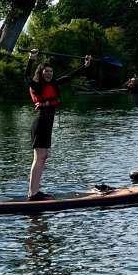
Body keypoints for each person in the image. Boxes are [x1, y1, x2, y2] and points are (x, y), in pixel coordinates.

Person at [25, 50, 91, 200]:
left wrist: (84, 66)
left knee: (44, 156)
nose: (49, 74)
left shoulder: (53, 84)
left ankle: (35, 191)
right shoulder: (37, 86)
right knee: (39, 157)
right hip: (41, 122)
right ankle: (33, 193)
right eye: (46, 71)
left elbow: (69, 77)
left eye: (51, 71)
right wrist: (31, 59)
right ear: (41, 72)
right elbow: (26, 77)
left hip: (47, 124)